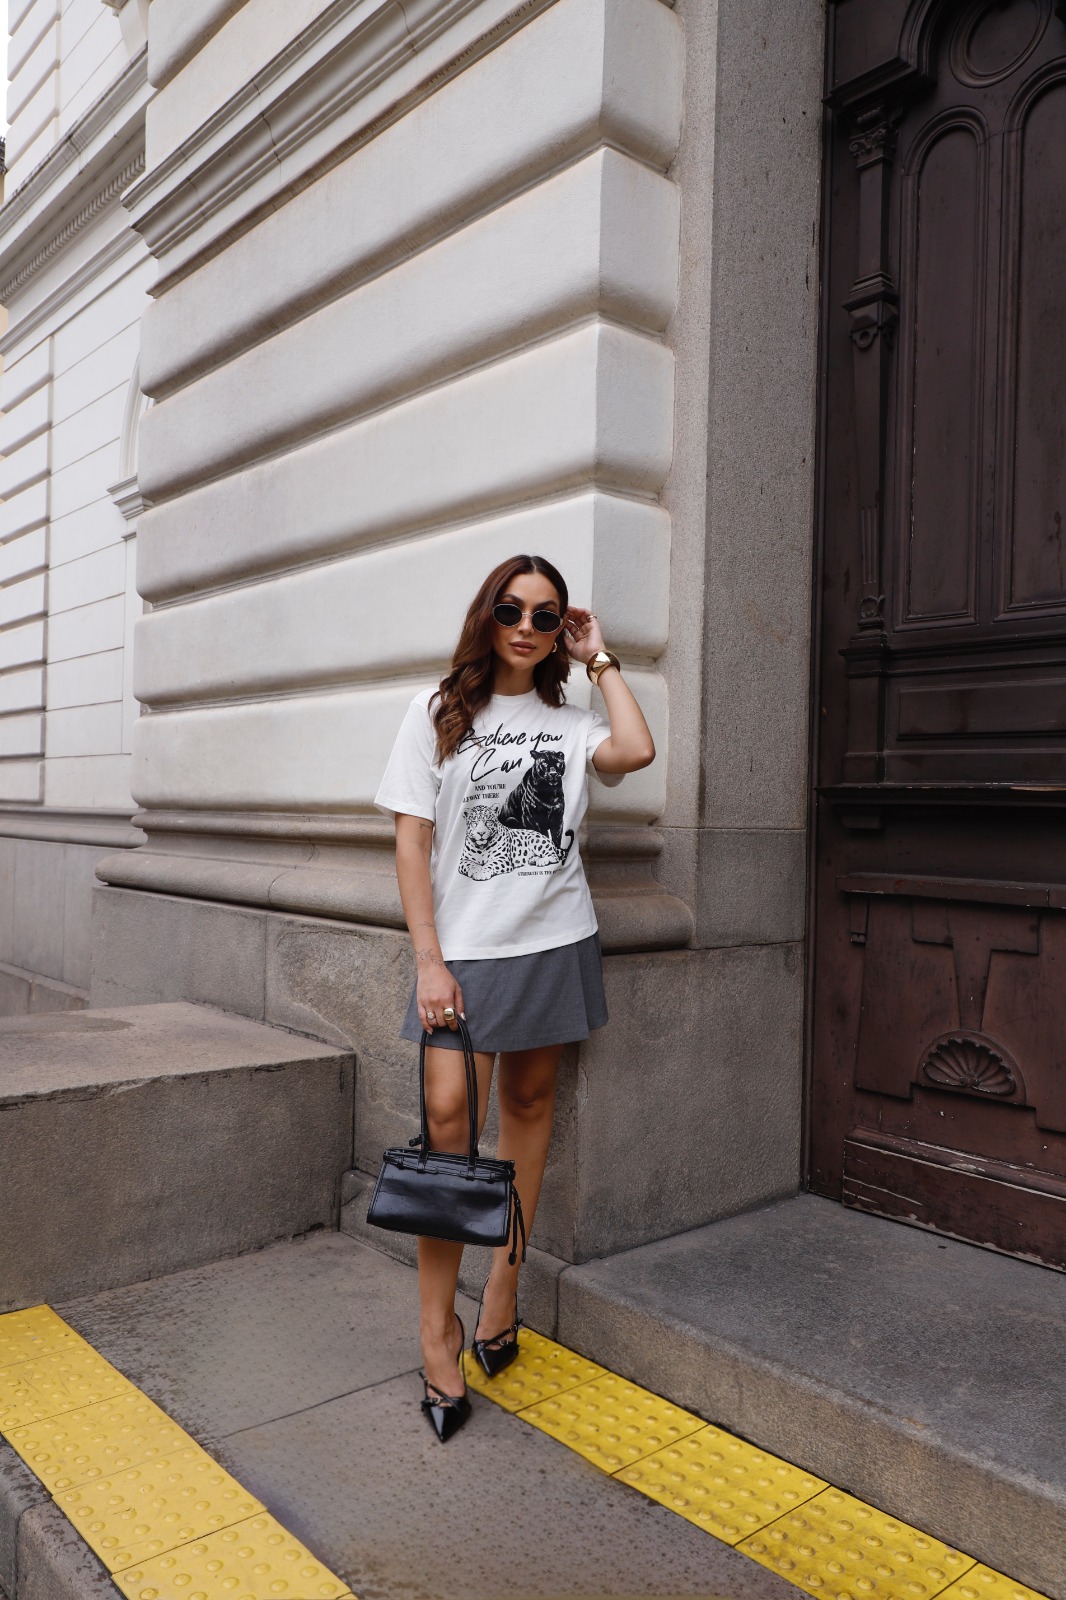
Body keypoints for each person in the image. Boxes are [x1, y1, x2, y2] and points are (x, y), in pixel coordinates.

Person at [374, 553, 655, 1441]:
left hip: (554, 941)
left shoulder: (571, 725)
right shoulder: (436, 713)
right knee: (448, 1131)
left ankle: (503, 1290)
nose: (526, 627)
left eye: (545, 615)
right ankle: (437, 1332)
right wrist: (429, 961)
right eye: (511, 610)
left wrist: (600, 657)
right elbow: (411, 843)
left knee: (530, 1109)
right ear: (486, 617)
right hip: (463, 955)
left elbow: (637, 750)